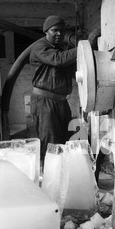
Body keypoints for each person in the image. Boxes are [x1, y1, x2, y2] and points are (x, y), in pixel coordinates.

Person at [29, 15, 100, 166]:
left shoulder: (61, 50)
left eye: (61, 30)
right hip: (45, 103)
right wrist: (85, 46)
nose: (59, 34)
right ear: (46, 31)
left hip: (61, 102)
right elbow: (58, 60)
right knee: (51, 145)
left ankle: (63, 179)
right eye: (55, 30)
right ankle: (48, 179)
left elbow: (74, 71)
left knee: (67, 141)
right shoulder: (40, 47)